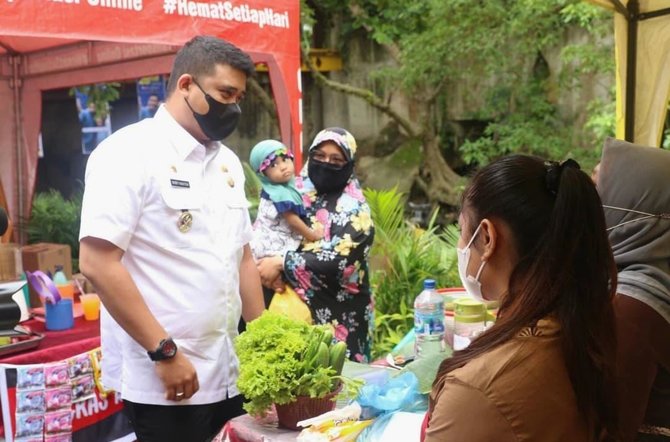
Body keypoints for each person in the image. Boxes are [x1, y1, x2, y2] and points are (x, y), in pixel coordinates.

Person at [78, 36, 265, 442]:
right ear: (185, 86)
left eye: (239, 97)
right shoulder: (127, 153)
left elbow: (243, 257)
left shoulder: (227, 162)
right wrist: (163, 351)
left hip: (232, 372)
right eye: (225, 94)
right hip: (168, 378)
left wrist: (265, 343)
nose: (233, 107)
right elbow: (97, 262)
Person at [423, 155, 618, 441]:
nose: (461, 247)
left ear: (488, 237)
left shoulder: (477, 388)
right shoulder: (584, 323)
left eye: (462, 231)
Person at [257, 128, 374, 362]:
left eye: (336, 159)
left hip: (341, 318)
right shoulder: (290, 191)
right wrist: (265, 267)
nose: (326, 163)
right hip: (287, 312)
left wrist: (282, 263)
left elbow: (340, 261)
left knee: (337, 392)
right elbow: (264, 227)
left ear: (349, 164)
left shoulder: (355, 208)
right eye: (319, 156)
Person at [598, 138, 670, 441]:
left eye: (601, 193)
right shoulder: (656, 279)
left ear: (633, 210)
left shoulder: (632, 308)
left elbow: (609, 431)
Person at [249, 139, 322, 263]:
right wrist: (312, 235)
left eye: (285, 159)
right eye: (273, 165)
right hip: (274, 245)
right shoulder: (279, 194)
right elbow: (293, 221)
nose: (283, 167)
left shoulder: (276, 188)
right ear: (263, 174)